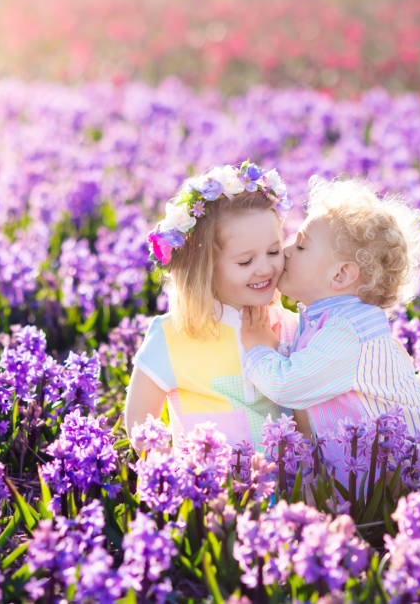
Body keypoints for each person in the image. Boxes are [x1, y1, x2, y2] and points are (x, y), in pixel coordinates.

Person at [241, 177, 420, 473]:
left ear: (341, 275)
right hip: (373, 471)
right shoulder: (334, 320)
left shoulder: (346, 333)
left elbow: (289, 385)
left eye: (302, 246)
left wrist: (257, 348)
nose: (287, 251)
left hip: (408, 476)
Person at [125, 161, 300, 453]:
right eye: (246, 261)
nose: (265, 268)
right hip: (209, 491)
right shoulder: (171, 336)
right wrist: (175, 476)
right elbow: (140, 426)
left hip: (287, 491)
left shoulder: (288, 326)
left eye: (273, 251)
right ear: (204, 268)